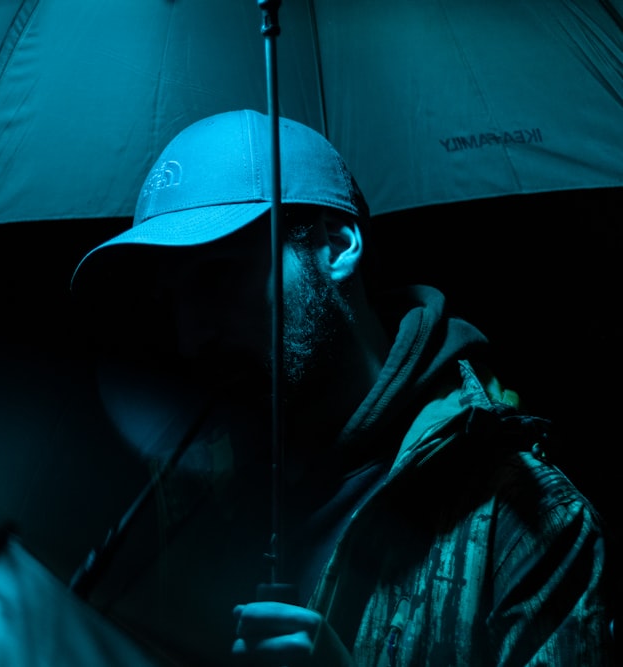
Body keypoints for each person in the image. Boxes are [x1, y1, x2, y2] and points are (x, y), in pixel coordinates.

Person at [70, 109, 616, 665]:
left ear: (336, 244)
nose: (191, 338)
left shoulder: (527, 522)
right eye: (175, 301)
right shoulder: (195, 507)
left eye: (218, 276)